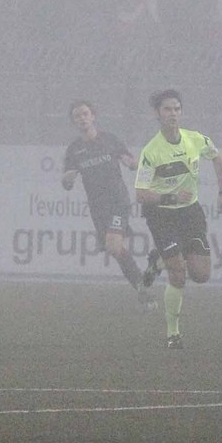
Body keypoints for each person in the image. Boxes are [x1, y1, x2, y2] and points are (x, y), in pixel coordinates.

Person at [133, 89, 222, 349]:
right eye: (167, 109)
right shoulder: (152, 151)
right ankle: (173, 334)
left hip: (190, 213)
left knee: (202, 274)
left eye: (176, 109)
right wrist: (171, 197)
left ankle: (157, 261)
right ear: (157, 114)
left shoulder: (195, 139)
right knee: (179, 273)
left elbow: (217, 157)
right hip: (162, 214)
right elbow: (141, 193)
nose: (172, 114)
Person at [61, 100, 157, 308]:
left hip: (117, 202)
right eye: (77, 116)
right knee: (114, 249)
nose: (82, 118)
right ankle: (142, 283)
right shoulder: (74, 150)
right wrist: (67, 179)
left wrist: (138, 166)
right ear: (73, 122)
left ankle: (142, 288)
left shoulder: (109, 140)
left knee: (113, 245)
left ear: (93, 116)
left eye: (85, 114)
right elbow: (67, 182)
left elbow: (130, 162)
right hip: (97, 207)